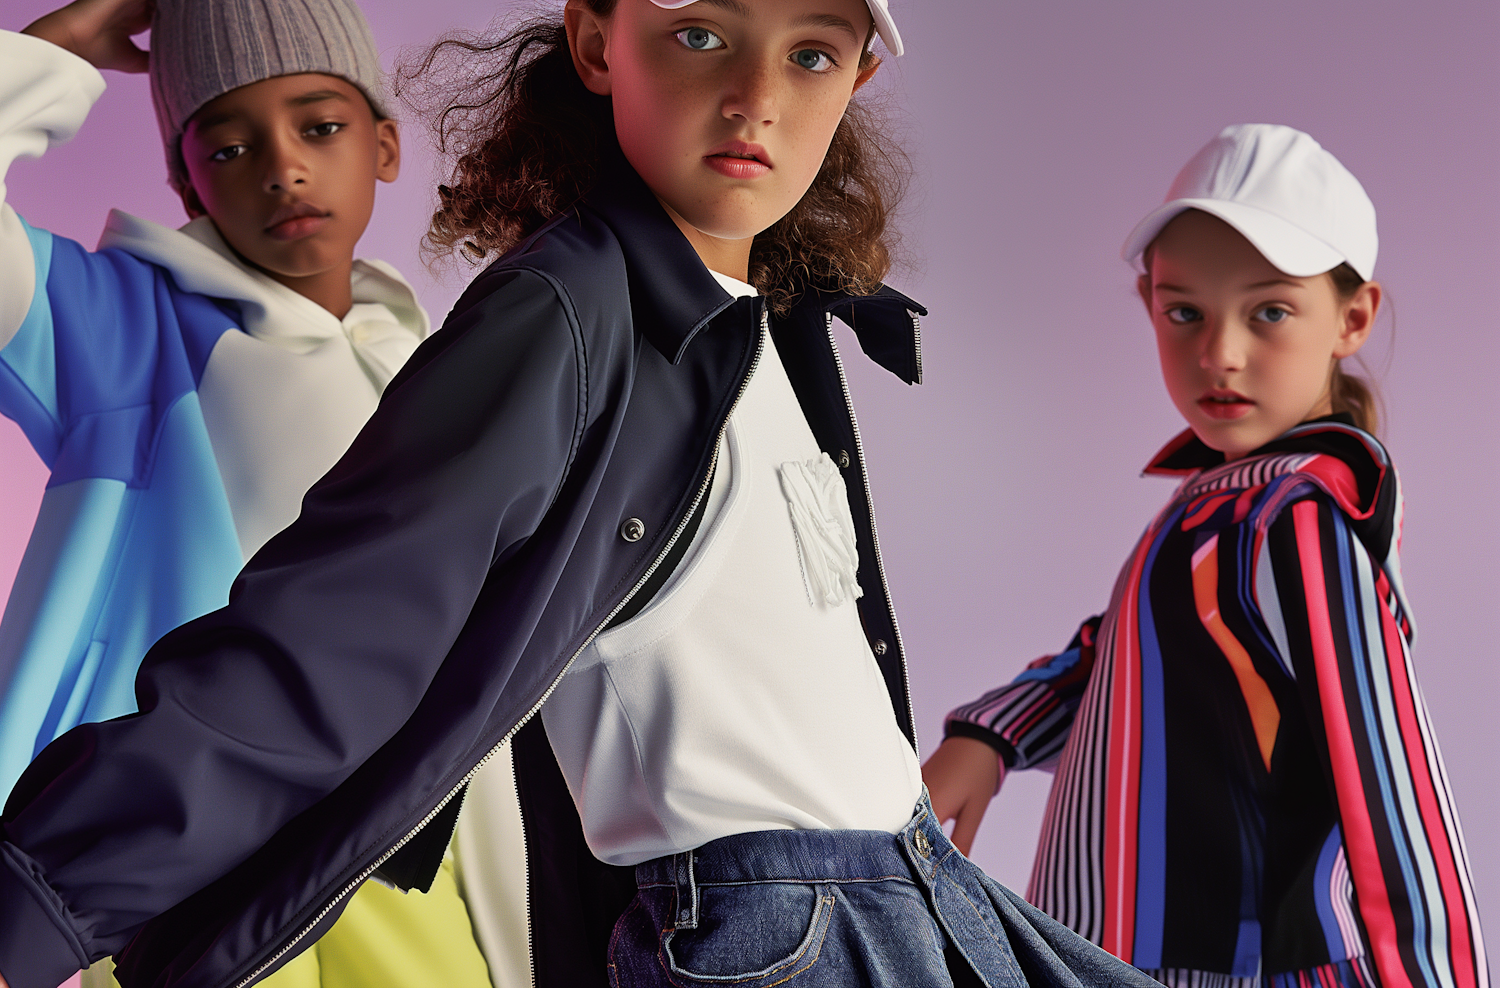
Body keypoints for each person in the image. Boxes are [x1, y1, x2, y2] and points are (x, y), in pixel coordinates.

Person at [0, 0, 1173, 986]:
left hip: (914, 884)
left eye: (812, 52)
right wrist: (36, 900)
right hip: (778, 928)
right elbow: (325, 641)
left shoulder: (767, 320)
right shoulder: (561, 318)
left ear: (858, 75)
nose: (757, 97)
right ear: (599, 40)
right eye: (701, 34)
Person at [0, 0, 502, 985]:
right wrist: (52, 52)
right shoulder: (119, 331)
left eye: (321, 126)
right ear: (185, 181)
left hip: (407, 839)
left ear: (385, 146)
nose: (283, 168)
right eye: (228, 148)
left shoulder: (433, 357)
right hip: (182, 843)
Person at [923, 124, 1488, 988]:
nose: (1219, 354)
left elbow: (1386, 777)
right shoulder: (1215, 504)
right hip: (1119, 951)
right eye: (1184, 311)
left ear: (1352, 318)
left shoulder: (1298, 518)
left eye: (1270, 312)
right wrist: (992, 734)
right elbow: (1118, 657)